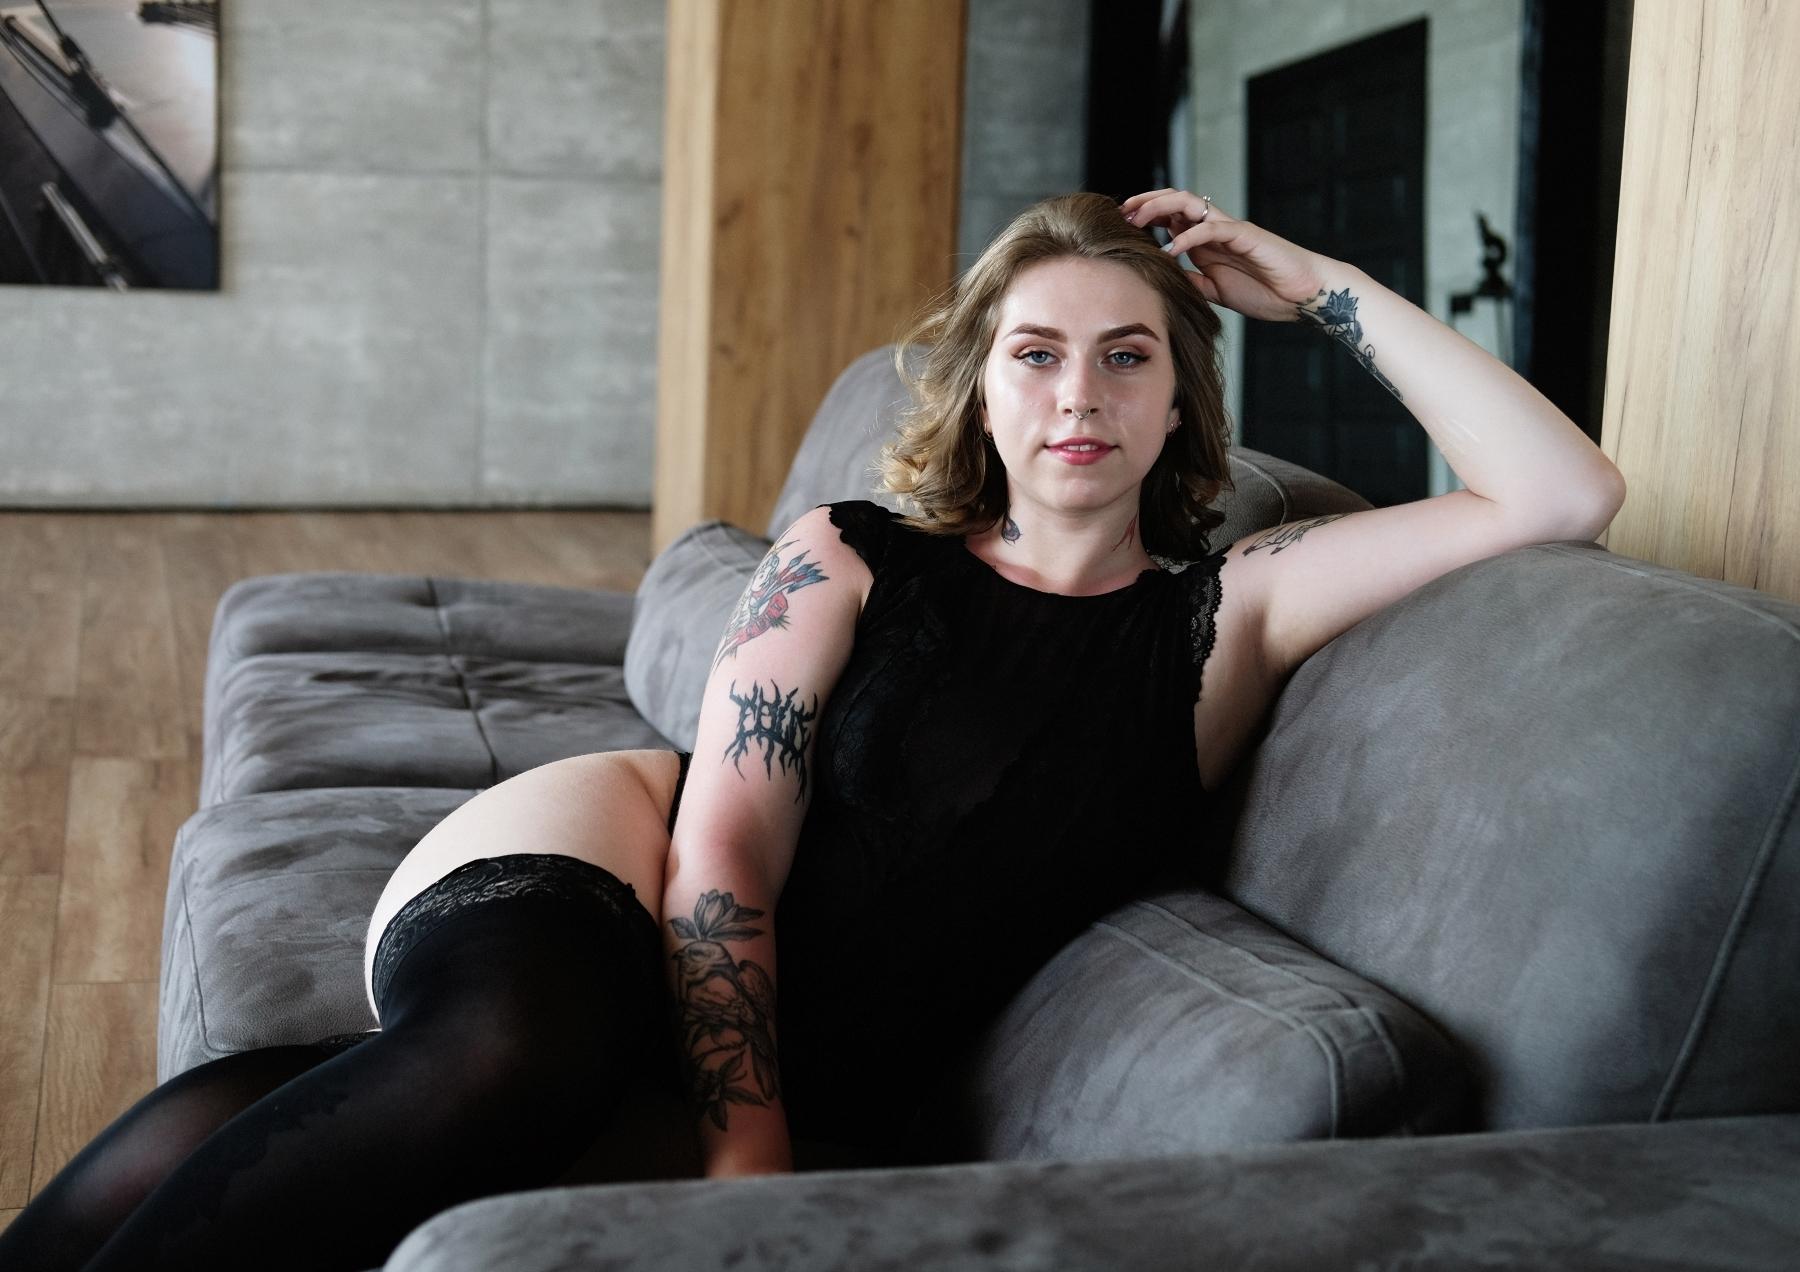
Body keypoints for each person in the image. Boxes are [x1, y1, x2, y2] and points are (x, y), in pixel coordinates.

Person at [0, 188, 1623, 1271]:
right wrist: (750, 1141)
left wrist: (1317, 286)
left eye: (1128, 358)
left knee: (388, 1102)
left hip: (762, 1009)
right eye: (1037, 355)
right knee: (510, 1054)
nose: (1080, 395)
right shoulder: (851, 553)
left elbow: (1562, 492)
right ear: (981, 390)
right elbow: (722, 839)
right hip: (608, 866)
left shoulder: (1233, 614)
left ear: (1183, 398)